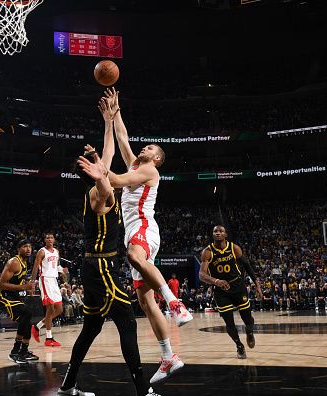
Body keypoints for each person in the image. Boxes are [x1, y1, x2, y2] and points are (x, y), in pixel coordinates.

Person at [58, 97, 158, 396]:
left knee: (91, 328)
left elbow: (110, 153)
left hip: (96, 268)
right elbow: (106, 180)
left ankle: (68, 384)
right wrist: (99, 171)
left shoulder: (101, 186)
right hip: (102, 267)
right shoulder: (99, 195)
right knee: (127, 322)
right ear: (91, 174)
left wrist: (108, 121)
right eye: (96, 166)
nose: (102, 162)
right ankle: (143, 389)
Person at [104, 88, 191, 384]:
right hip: (134, 230)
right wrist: (115, 112)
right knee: (144, 302)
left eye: (151, 148)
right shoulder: (138, 163)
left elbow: (116, 180)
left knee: (134, 256)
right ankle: (169, 356)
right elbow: (124, 139)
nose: (145, 148)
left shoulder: (149, 170)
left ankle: (175, 303)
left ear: (157, 158)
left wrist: (99, 169)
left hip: (143, 228)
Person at [199, 225, 262, 359]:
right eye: (215, 231)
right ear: (212, 234)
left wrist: (257, 284)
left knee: (248, 319)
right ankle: (239, 345)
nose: (218, 233)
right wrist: (216, 281)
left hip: (238, 286)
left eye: (221, 231)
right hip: (221, 290)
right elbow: (201, 275)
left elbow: (247, 265)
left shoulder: (234, 248)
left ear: (225, 234)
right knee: (229, 322)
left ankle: (249, 332)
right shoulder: (207, 252)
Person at [0, 238, 39, 364]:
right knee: (27, 313)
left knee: (27, 321)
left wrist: (27, 287)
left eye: (30, 246)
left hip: (13, 296)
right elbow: (1, 284)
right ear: (18, 249)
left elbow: (17, 281)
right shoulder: (14, 262)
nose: (28, 249)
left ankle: (23, 351)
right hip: (3, 297)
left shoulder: (25, 262)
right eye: (25, 246)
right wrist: (23, 287)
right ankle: (15, 351)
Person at [31, 232, 68, 346]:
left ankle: (37, 327)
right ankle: (48, 338)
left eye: (51, 237)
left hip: (54, 280)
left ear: (54, 239)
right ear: (45, 240)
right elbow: (35, 267)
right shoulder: (42, 252)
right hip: (45, 279)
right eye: (47, 238)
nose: (50, 239)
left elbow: (56, 266)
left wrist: (63, 274)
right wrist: (33, 282)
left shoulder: (56, 252)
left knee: (60, 309)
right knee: (50, 309)